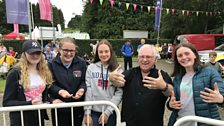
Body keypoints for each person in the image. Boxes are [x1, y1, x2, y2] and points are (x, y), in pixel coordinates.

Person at [109, 44, 173, 126]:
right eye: (142, 57)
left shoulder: (162, 75)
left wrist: (164, 86)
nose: (144, 60)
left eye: (148, 57)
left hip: (153, 123)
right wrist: (111, 78)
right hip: (130, 122)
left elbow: (171, 92)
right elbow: (116, 81)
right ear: (138, 58)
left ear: (155, 60)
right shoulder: (130, 73)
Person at [168, 42, 224, 126]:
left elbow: (222, 94)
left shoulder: (210, 73)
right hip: (180, 122)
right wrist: (170, 104)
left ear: (195, 55)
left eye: (187, 53)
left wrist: (221, 99)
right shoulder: (177, 78)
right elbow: (172, 100)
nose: (184, 57)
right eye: (180, 55)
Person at [2, 40, 54, 126]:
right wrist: (29, 104)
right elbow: (7, 102)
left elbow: (45, 93)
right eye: (31, 53)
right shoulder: (15, 73)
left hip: (38, 116)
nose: (35, 56)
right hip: (21, 119)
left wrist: (49, 101)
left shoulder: (44, 71)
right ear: (24, 54)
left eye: (38, 53)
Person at [48, 37, 87, 126]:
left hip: (77, 107)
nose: (69, 53)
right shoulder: (51, 64)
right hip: (60, 108)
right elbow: (49, 85)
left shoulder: (81, 63)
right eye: (65, 50)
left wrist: (82, 89)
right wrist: (60, 91)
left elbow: (84, 81)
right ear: (60, 49)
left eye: (72, 51)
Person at [84, 39, 123, 126]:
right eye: (100, 52)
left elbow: (119, 93)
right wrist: (87, 113)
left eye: (106, 51)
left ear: (111, 52)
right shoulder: (91, 68)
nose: (104, 54)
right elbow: (88, 90)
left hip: (111, 112)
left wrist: (107, 112)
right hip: (94, 112)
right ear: (97, 53)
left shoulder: (118, 69)